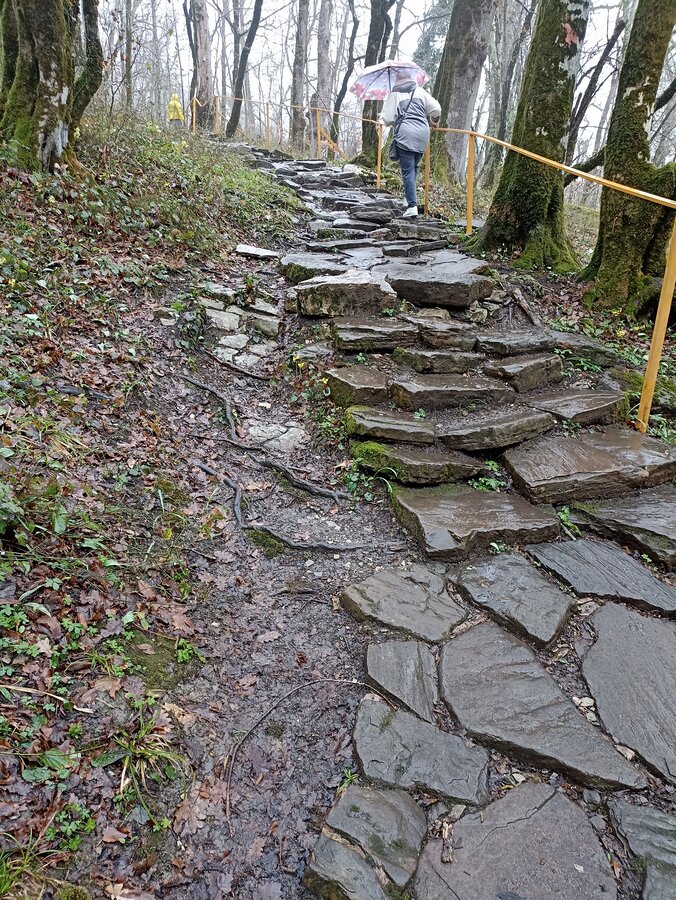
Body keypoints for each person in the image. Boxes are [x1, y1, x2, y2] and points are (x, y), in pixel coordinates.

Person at [380, 75, 441, 218]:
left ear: (397, 79)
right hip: (422, 134)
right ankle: (408, 198)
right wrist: (433, 120)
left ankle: (412, 206)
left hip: (405, 135)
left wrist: (394, 121)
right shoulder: (420, 91)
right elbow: (436, 109)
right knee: (414, 168)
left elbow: (387, 119)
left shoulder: (395, 93)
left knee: (407, 170)